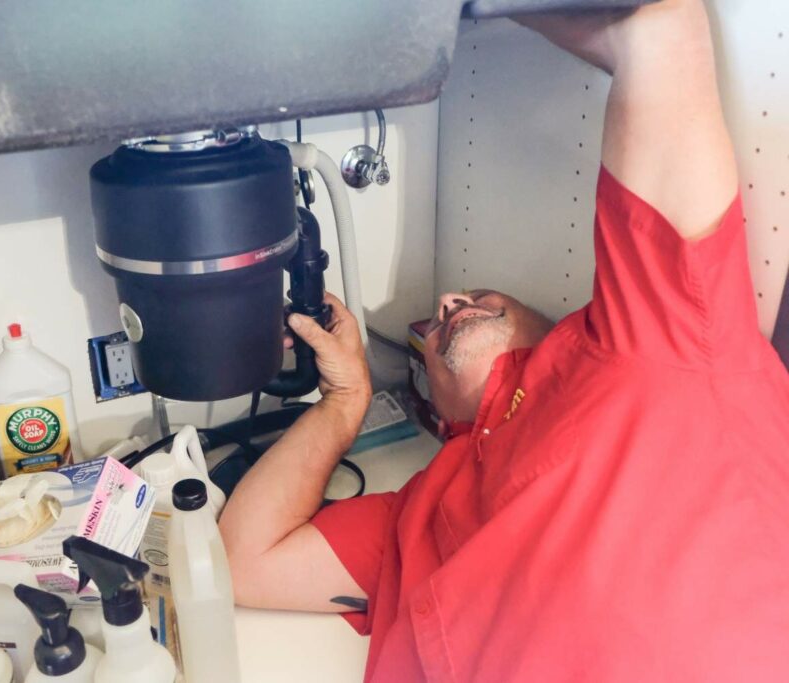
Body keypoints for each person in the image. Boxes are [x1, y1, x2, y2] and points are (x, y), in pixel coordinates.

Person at [218, 1, 789, 681]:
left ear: (552, 324)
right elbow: (244, 559)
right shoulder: (421, 513)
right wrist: (345, 402)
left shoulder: (657, 333)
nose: (448, 303)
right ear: (434, 408)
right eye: (436, 326)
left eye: (482, 298)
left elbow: (662, 34)